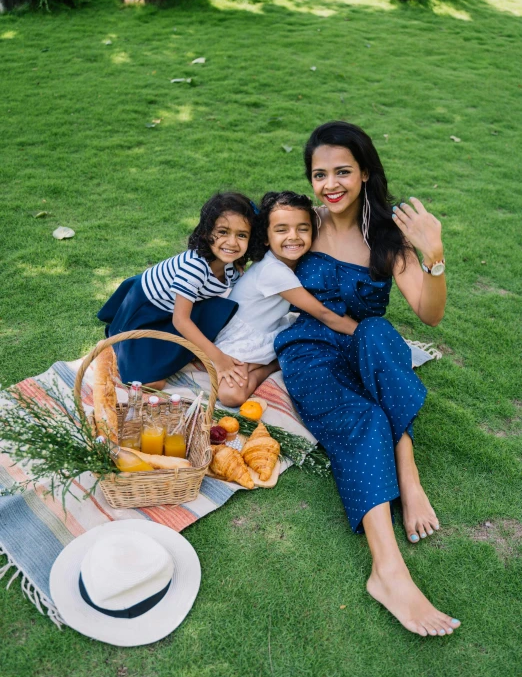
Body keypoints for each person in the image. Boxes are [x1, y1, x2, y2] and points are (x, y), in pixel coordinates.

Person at [274, 121, 461, 638]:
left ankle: (409, 473)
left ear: (364, 174)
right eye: (319, 174)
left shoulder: (387, 239)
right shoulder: (301, 226)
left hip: (362, 340)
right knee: (363, 417)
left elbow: (428, 314)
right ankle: (388, 571)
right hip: (311, 352)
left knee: (380, 333)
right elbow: (238, 261)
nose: (329, 184)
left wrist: (434, 254)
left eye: (341, 172)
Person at [97, 192, 255, 390]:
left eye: (241, 235)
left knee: (223, 309)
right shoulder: (195, 267)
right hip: (147, 308)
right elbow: (180, 321)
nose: (232, 242)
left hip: (177, 306)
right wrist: (218, 358)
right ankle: (129, 346)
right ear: (206, 232)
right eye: (223, 232)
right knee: (150, 382)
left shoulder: (233, 266)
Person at [214, 190, 358, 407]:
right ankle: (272, 365)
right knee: (231, 396)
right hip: (242, 339)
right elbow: (323, 313)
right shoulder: (274, 271)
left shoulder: (294, 261)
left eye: (303, 229)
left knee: (233, 392)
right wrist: (362, 332)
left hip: (268, 328)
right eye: (282, 230)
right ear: (265, 237)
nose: (294, 237)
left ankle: (266, 363)